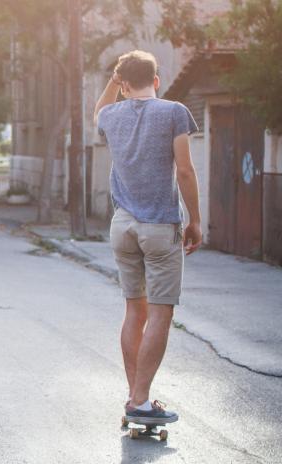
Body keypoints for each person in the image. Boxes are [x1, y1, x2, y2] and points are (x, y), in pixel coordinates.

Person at [94, 50, 201, 425]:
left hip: (122, 226)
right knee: (159, 312)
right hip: (159, 227)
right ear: (157, 81)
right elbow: (185, 171)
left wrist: (115, 78)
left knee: (133, 311)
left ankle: (135, 397)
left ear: (122, 85)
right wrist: (196, 221)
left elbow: (99, 109)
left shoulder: (110, 115)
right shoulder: (173, 112)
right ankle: (140, 400)